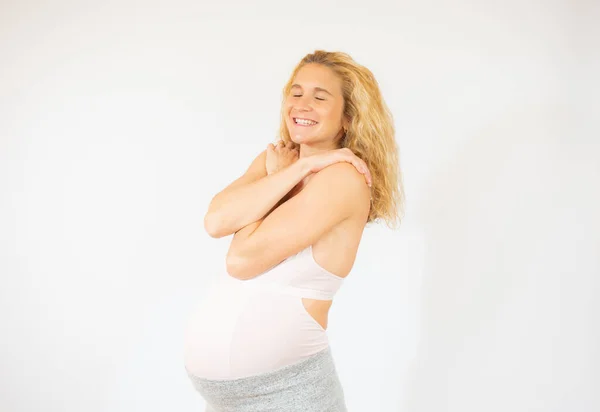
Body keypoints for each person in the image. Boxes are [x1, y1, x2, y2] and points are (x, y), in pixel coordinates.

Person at [183, 50, 404, 411]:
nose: (302, 105)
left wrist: (281, 177)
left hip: (289, 395)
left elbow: (241, 260)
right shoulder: (281, 160)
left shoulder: (344, 178)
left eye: (320, 97)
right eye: (296, 92)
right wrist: (292, 171)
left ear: (348, 117)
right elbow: (215, 221)